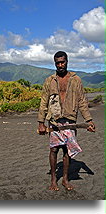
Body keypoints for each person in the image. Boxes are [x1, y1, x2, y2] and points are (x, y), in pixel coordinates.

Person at [37, 51, 95, 191]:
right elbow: (44, 101)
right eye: (57, 63)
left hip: (70, 120)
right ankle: (53, 180)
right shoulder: (50, 80)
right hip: (54, 121)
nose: (60, 65)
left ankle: (65, 180)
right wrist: (41, 122)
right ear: (55, 63)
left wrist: (89, 120)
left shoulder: (76, 80)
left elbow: (82, 101)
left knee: (67, 151)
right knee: (54, 149)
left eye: (62, 62)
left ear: (67, 61)